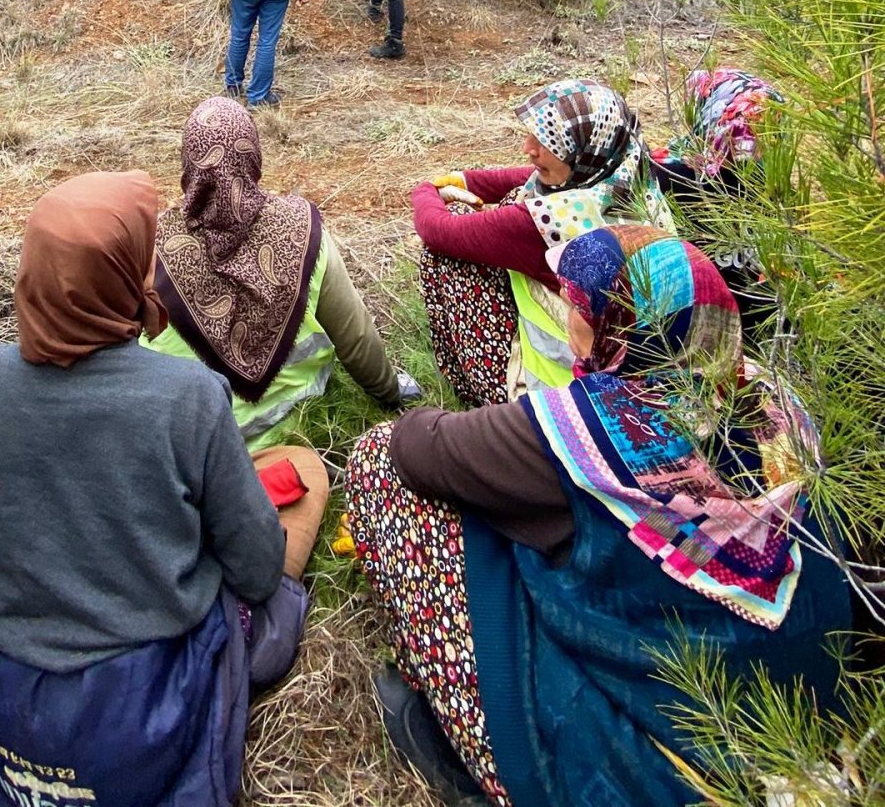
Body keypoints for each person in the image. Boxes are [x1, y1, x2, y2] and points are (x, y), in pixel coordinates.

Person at [347, 225, 851, 807]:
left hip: (657, 770)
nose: (567, 313)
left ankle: (482, 744)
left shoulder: (589, 427)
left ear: (616, 327)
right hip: (813, 712)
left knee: (376, 466)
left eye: (577, 304)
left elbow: (417, 447)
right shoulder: (777, 398)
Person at [0, 171, 317, 806]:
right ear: (127, 274)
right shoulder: (191, 401)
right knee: (303, 482)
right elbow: (258, 566)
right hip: (146, 710)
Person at [143, 97, 417, 450]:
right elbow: (357, 337)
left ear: (188, 163)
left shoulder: (151, 249)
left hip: (205, 448)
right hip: (303, 428)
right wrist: (390, 393)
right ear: (253, 157)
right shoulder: (302, 230)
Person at [414, 79, 672, 407]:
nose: (528, 147)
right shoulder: (629, 173)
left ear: (581, 151)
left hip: (562, 392)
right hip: (644, 374)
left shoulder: (547, 223)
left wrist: (425, 190)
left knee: (443, 254)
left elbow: (437, 229)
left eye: (546, 141)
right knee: (517, 194)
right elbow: (535, 176)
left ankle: (487, 390)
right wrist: (468, 180)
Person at [653, 67, 785, 339]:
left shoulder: (664, 175)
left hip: (741, 332)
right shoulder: (670, 179)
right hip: (731, 334)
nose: (755, 148)